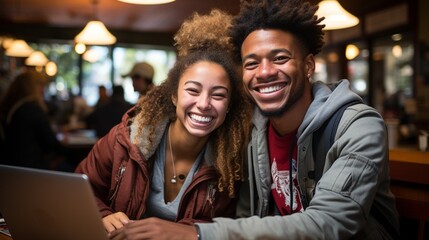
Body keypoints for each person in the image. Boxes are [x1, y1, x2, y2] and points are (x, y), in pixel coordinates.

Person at [147, 0, 400, 239]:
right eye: (252, 63)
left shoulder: (358, 126)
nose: (265, 72)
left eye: (280, 58)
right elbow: (246, 216)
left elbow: (330, 223)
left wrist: (199, 234)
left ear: (308, 66)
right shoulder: (251, 132)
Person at [75, 9, 252, 239]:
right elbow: (80, 190)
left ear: (228, 106)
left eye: (218, 95)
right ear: (174, 96)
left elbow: (226, 227)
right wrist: (102, 215)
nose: (204, 104)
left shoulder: (231, 164)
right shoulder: (125, 139)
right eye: (192, 90)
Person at [0, 69, 70, 171]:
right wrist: (66, 148)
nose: (42, 90)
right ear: (31, 87)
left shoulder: (12, 108)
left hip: (11, 168)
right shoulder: (32, 108)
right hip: (31, 171)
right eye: (40, 85)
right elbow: (51, 143)